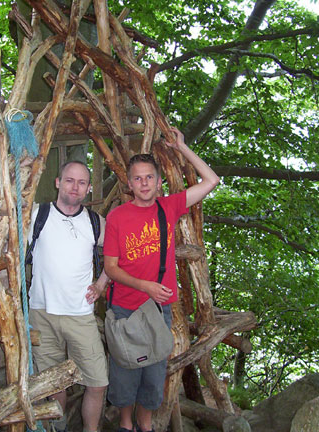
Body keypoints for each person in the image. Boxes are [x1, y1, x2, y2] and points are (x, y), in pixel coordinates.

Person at [103, 128, 220, 432]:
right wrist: (145, 287)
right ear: (129, 184)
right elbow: (112, 268)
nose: (144, 183)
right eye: (138, 178)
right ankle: (126, 425)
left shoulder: (167, 207)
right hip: (126, 309)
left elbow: (211, 181)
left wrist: (182, 148)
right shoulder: (118, 216)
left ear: (158, 182)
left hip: (158, 311)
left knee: (154, 378)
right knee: (126, 374)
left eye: (149, 177)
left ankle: (146, 425)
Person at [29, 161, 109, 432]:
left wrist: (101, 284)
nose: (75, 187)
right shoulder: (36, 215)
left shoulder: (95, 222)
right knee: (53, 385)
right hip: (42, 312)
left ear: (88, 188)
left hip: (80, 314)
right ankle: (57, 429)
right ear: (58, 182)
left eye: (81, 183)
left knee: (98, 381)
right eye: (69, 180)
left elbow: (115, 255)